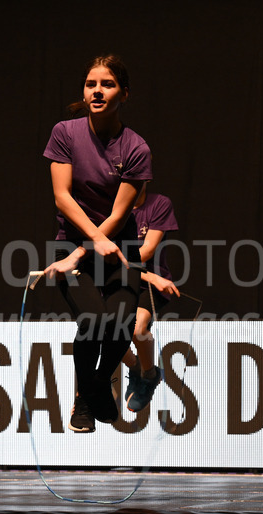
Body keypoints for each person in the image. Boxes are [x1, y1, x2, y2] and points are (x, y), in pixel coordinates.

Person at [41, 55, 178, 433]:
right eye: (90, 84)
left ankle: (99, 384)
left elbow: (120, 213)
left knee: (120, 324)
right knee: (92, 321)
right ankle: (84, 399)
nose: (97, 90)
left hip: (120, 249)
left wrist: (96, 245)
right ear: (83, 92)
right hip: (71, 245)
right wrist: (87, 245)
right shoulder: (64, 133)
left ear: (124, 94)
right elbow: (62, 198)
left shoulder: (135, 148)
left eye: (107, 84)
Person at [121, 184, 178, 413]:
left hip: (150, 284)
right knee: (102, 332)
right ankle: (135, 367)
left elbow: (146, 251)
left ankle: (149, 374)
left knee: (137, 330)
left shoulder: (159, 204)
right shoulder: (111, 209)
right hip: (117, 281)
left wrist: (149, 277)